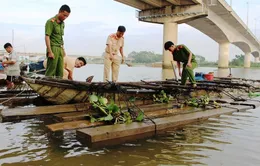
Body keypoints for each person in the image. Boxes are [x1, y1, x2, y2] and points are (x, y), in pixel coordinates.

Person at [45, 4, 71, 78]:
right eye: (64, 15)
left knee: (60, 71)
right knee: (51, 70)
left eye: (67, 16)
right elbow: (47, 37)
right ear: (60, 11)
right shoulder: (50, 22)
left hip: (60, 48)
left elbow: (60, 37)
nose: (65, 18)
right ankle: (47, 87)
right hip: (53, 48)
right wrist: (50, 51)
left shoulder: (63, 24)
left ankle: (57, 88)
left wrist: (63, 49)